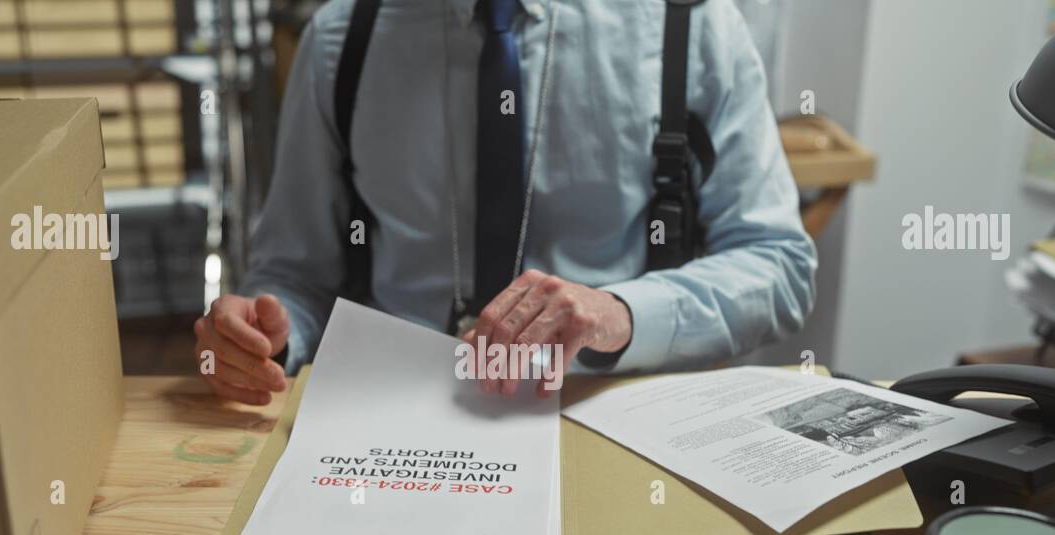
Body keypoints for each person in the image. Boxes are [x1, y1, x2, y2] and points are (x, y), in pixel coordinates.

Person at [194, 0, 816, 404]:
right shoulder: (340, 40)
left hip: (618, 417)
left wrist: (618, 313)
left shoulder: (693, 25)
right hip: (393, 422)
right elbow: (294, 275)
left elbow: (778, 266)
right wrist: (268, 334)